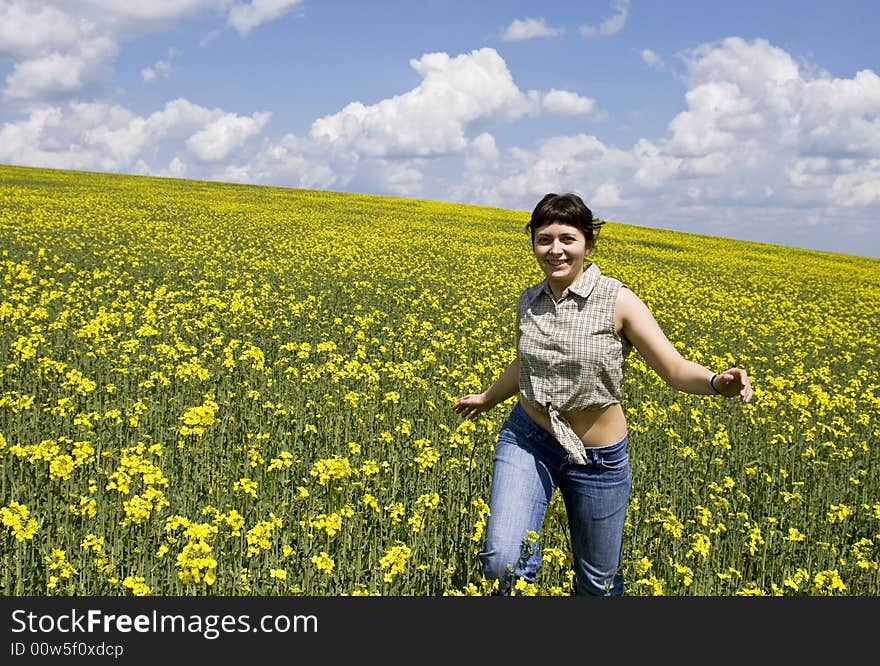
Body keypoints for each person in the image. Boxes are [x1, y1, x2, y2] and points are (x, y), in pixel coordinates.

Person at [452, 192, 753, 596]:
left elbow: (675, 369)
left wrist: (718, 382)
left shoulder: (618, 300)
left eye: (567, 239)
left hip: (598, 459)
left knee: (598, 583)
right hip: (529, 438)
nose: (555, 250)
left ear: (587, 244)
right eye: (544, 239)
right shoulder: (529, 300)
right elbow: (526, 364)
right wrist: (488, 397)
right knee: (503, 561)